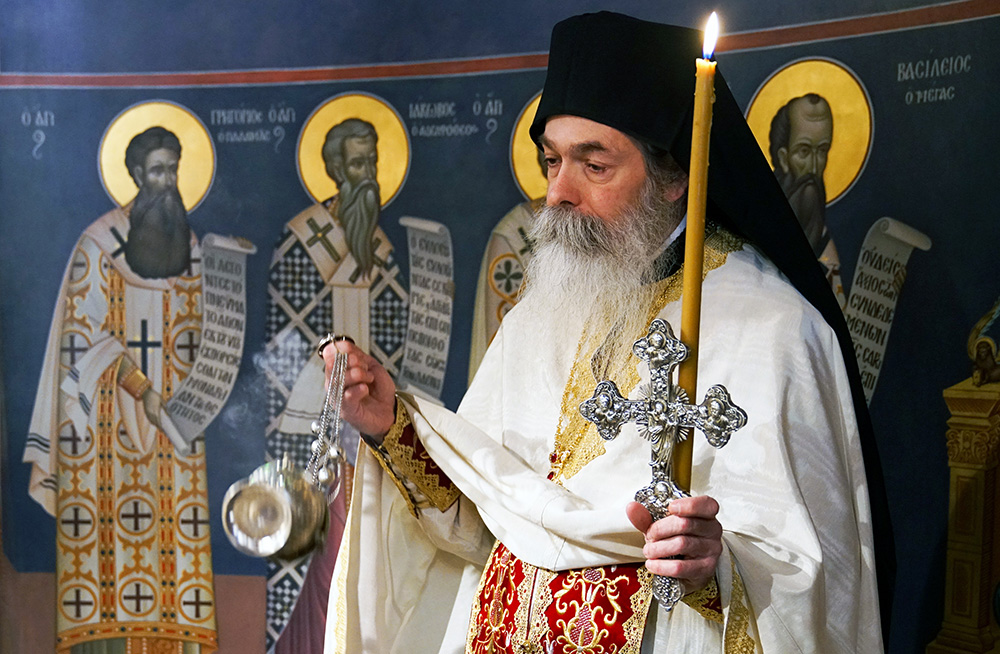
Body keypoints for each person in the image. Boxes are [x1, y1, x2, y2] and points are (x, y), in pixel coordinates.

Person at [323, 12, 894, 653]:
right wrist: (392, 428)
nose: (557, 193)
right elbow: (489, 519)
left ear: (675, 177)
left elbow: (817, 585)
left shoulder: (774, 331)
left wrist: (715, 570)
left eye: (593, 165)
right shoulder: (540, 313)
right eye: (551, 160)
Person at [23, 126, 218, 653]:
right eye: (157, 171)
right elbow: (80, 339)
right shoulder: (99, 243)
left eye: (173, 170)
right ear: (134, 174)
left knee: (175, 556)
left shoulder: (190, 247)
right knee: (107, 559)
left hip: (173, 426)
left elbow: (199, 332)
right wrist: (139, 386)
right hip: (103, 427)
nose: (167, 181)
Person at [263, 116, 408, 652]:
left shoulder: (380, 246)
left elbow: (393, 341)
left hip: (373, 438)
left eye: (372, 163)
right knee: (318, 570)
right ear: (334, 170)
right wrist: (331, 390)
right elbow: (282, 344)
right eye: (356, 164)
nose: (367, 175)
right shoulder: (303, 238)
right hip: (312, 434)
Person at [768, 93, 845, 305]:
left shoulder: (825, 245)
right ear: (784, 158)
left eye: (822, 151)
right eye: (803, 151)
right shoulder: (760, 229)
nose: (813, 167)